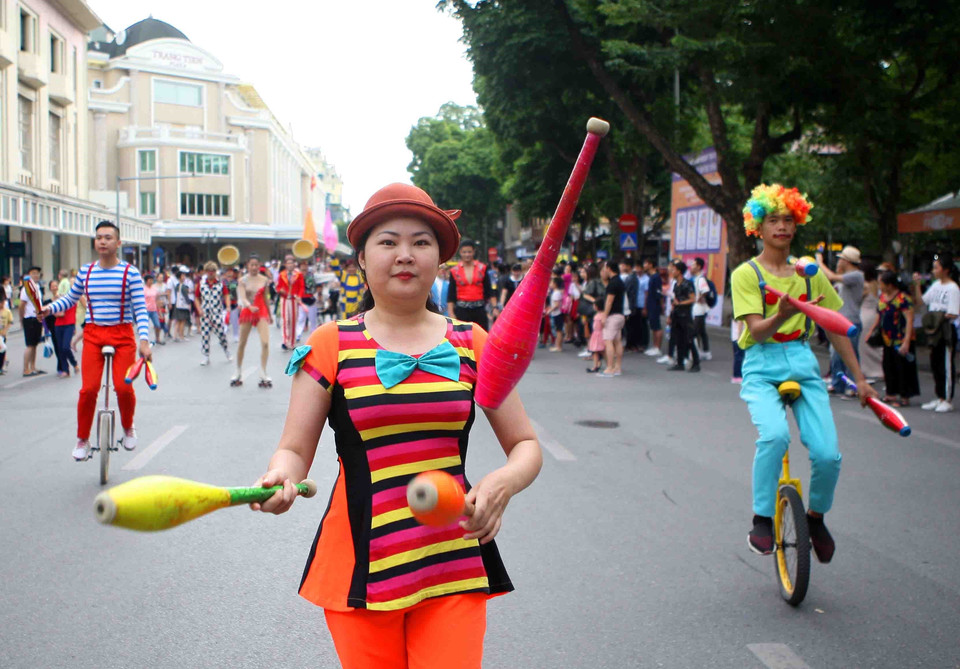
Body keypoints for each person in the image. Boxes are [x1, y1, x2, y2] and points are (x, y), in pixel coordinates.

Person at [251, 182, 541, 668]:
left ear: (439, 258)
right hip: (360, 565)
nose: (404, 255)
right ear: (361, 258)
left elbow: (526, 444)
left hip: (453, 559)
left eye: (420, 242)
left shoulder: (473, 342)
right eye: (388, 242)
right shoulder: (330, 344)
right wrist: (280, 476)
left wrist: (503, 483)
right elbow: (294, 450)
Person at [733, 184, 877, 562]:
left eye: (788, 219)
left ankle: (815, 518)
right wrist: (780, 315)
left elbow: (834, 327)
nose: (781, 226)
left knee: (829, 454)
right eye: (772, 220)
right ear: (758, 228)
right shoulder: (746, 274)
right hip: (762, 363)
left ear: (796, 225)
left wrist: (860, 379)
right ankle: (762, 518)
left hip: (802, 359)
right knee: (775, 436)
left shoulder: (810, 274)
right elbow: (755, 329)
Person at [43, 220, 153, 461]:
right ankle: (82, 438)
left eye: (108, 237)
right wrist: (49, 309)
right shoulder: (87, 271)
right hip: (93, 334)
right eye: (99, 237)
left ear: (118, 243)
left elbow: (141, 310)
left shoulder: (129, 272)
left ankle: (128, 426)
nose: (102, 241)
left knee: (123, 388)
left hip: (123, 335)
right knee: (89, 389)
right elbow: (70, 299)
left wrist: (144, 341)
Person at [863, 270, 918, 407]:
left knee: (902, 368)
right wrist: (870, 331)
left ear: (890, 285)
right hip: (887, 338)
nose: (880, 286)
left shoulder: (903, 299)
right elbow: (879, 315)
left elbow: (910, 320)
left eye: (882, 283)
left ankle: (904, 397)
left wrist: (906, 342)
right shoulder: (883, 297)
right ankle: (890, 393)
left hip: (900, 339)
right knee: (888, 366)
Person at [913, 252, 959, 412]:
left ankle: (947, 398)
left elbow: (953, 313)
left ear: (946, 270)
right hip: (934, 329)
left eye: (936, 267)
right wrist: (917, 285)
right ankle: (939, 396)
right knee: (935, 363)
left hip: (945, 329)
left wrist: (937, 316)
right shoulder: (935, 285)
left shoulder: (953, 288)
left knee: (946, 365)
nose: (933, 270)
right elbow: (921, 302)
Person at [817, 245, 864, 396]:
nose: (839, 261)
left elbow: (830, 277)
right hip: (839, 320)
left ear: (847, 260)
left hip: (851, 321)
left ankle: (853, 386)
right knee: (835, 355)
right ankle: (838, 384)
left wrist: (820, 262)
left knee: (850, 354)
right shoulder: (844, 279)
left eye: (841, 259)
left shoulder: (856, 275)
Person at [232, 255, 273, 388]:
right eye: (252, 265)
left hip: (261, 312)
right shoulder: (242, 280)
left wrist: (270, 314)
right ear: (247, 265)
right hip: (247, 312)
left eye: (256, 265)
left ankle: (263, 372)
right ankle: (238, 371)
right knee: (242, 343)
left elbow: (266, 298)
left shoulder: (264, 280)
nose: (254, 267)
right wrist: (249, 306)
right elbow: (242, 297)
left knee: (266, 343)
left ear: (259, 265)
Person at [448, 239, 496, 329]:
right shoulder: (454, 271)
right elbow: (451, 294)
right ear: (460, 253)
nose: (467, 255)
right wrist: (451, 313)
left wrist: (494, 307)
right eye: (464, 252)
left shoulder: (482, 268)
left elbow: (489, 290)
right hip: (461, 310)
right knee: (462, 340)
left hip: (479, 310)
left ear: (474, 252)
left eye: (469, 252)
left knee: (481, 338)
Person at [194, 261, 231, 366]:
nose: (211, 273)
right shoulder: (201, 284)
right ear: (205, 272)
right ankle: (206, 356)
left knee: (221, 334)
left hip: (217, 313)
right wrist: (199, 309)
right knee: (205, 335)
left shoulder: (220, 284)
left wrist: (227, 307)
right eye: (209, 271)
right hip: (205, 313)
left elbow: (226, 295)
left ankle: (226, 350)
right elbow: (196, 298)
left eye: (213, 271)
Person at [667, 260, 699, 372]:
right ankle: (679, 363)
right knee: (678, 339)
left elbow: (692, 299)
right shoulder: (676, 284)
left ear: (679, 271)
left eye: (674, 269)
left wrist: (680, 303)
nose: (672, 271)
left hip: (685, 315)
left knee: (689, 339)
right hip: (676, 315)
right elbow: (674, 300)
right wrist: (670, 315)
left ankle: (696, 363)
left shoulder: (687, 283)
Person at [598, 260, 626, 377]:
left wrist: (604, 315)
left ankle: (609, 367)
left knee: (608, 341)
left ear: (609, 268)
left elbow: (609, 301)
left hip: (612, 316)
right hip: (620, 315)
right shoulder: (620, 281)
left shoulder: (612, 283)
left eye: (605, 268)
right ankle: (617, 367)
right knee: (617, 341)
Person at [858, 262, 883, 382]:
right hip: (874, 314)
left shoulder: (865, 285)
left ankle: (868, 370)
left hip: (864, 315)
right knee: (872, 344)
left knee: (863, 344)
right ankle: (879, 368)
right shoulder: (876, 284)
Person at [19, 266, 44, 377]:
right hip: (29, 318)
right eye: (33, 273)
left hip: (38, 318)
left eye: (37, 273)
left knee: (35, 344)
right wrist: (21, 319)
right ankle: (26, 369)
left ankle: (33, 367)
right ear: (28, 275)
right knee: (30, 344)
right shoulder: (26, 288)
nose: (36, 275)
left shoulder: (38, 287)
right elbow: (21, 305)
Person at [276, 255, 304, 350]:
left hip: (293, 299)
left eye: (291, 263)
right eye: (288, 263)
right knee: (286, 320)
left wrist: (299, 296)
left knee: (292, 321)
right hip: (284, 299)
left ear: (294, 264)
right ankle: (285, 340)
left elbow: (301, 287)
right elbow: (278, 287)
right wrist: (281, 290)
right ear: (285, 264)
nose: (290, 265)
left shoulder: (298, 275)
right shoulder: (282, 274)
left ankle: (291, 342)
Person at [52, 281, 79, 378]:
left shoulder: (74, 298)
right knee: (60, 348)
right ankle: (65, 370)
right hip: (58, 324)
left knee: (65, 347)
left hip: (69, 324)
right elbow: (55, 312)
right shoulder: (58, 298)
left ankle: (74, 363)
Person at [691, 257, 712, 361]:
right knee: (701, 331)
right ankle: (706, 352)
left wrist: (700, 297)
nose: (692, 266)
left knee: (694, 331)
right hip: (699, 309)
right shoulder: (697, 278)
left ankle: (696, 352)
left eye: (694, 265)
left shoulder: (700, 278)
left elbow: (705, 290)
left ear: (698, 266)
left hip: (699, 310)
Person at [643, 259, 664, 357]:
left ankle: (658, 348)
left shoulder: (656, 277)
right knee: (653, 326)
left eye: (646, 263)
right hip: (651, 304)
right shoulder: (651, 276)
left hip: (655, 304)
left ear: (651, 264)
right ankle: (655, 346)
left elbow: (658, 293)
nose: (644, 265)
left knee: (657, 326)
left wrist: (661, 305)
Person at [298, 260, 319, 340]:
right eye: (302, 268)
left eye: (305, 268)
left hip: (311, 300)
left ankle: (313, 335)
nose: (304, 270)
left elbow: (314, 287)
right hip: (301, 300)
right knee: (301, 319)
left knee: (313, 319)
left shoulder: (312, 276)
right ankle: (298, 335)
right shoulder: (297, 276)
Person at [546, 276, 565, 352]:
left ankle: (558, 346)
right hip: (557, 314)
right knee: (558, 330)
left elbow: (557, 304)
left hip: (557, 314)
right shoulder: (556, 292)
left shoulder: (556, 293)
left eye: (551, 282)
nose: (550, 284)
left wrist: (550, 310)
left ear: (555, 284)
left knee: (558, 330)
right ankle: (558, 345)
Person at [143, 274, 163, 345]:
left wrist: (159, 311)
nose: (151, 281)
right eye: (150, 280)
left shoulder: (154, 289)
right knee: (145, 326)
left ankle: (157, 338)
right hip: (146, 310)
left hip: (154, 309)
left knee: (157, 325)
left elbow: (157, 299)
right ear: (146, 281)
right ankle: (144, 341)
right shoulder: (143, 289)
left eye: (152, 280)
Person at [224, 267, 240, 342]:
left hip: (234, 303)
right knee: (223, 321)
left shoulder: (236, 282)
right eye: (228, 272)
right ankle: (222, 336)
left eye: (231, 272)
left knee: (234, 321)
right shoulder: (222, 282)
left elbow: (239, 293)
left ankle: (236, 335)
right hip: (224, 303)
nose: (230, 273)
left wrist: (239, 303)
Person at [0, 298, 13, 374]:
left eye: (2, 302)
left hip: (3, 335)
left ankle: (1, 366)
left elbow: (10, 322)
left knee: (2, 350)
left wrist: (5, 330)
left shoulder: (7, 311)